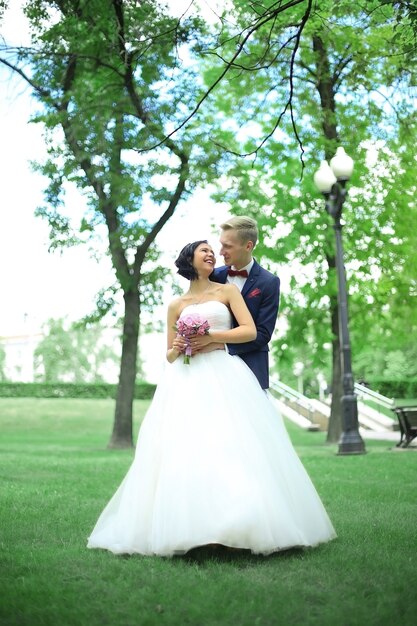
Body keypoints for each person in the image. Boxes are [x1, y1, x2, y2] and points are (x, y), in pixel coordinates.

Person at [87, 241, 336, 557]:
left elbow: (249, 331)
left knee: (230, 445)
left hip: (224, 375)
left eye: (212, 250)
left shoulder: (227, 292)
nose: (211, 254)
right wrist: (180, 345)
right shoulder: (176, 305)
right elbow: (169, 356)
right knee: (188, 450)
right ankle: (195, 532)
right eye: (203, 250)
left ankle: (239, 525)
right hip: (186, 382)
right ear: (188, 258)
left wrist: (212, 337)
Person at [210, 216, 280, 390]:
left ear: (248, 246)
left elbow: (263, 334)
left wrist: (220, 344)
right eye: (221, 244)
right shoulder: (213, 276)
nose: (220, 252)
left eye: (228, 246)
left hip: (251, 367)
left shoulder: (269, 282)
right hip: (212, 368)